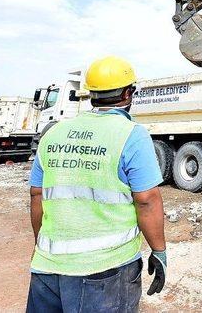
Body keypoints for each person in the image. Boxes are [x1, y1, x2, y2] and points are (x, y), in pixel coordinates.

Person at [26, 56, 166, 313]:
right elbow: (146, 200)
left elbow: (37, 196)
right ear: (128, 92)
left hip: (46, 269)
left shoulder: (53, 132)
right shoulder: (132, 135)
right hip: (105, 272)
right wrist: (159, 251)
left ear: (91, 93)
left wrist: (45, 248)